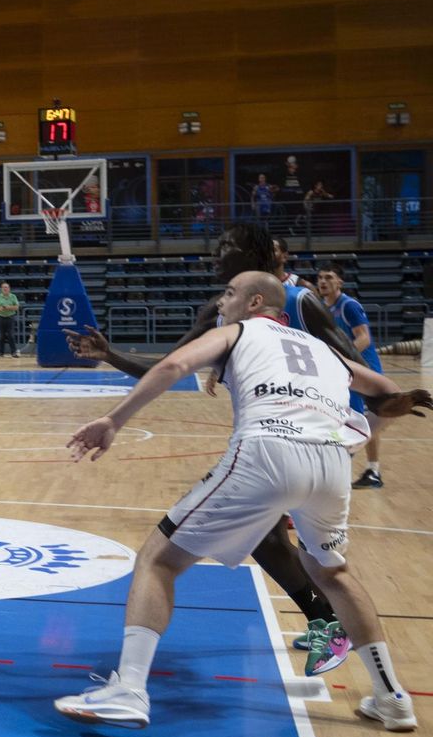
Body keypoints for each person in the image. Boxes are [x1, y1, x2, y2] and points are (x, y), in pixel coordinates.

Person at [55, 271, 429, 731]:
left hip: (267, 450)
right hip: (331, 463)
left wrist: (114, 420)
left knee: (158, 560)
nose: (220, 303)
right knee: (334, 573)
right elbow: (389, 394)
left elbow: (173, 366)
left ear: (255, 303)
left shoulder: (237, 330)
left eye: (229, 294)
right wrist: (360, 433)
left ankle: (129, 689)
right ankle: (391, 696)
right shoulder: (323, 350)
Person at [65, 222, 379, 675]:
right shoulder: (217, 310)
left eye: (226, 247)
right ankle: (335, 630)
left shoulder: (300, 300)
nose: (215, 255)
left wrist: (349, 426)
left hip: (321, 435)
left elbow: (349, 363)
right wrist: (109, 354)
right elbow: (166, 368)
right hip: (271, 437)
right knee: (269, 540)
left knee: (291, 551)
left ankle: (337, 630)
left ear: (253, 255)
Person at [316, 263, 389, 489]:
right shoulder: (322, 307)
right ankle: (372, 471)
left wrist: (340, 360)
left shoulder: (348, 305)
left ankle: (347, 463)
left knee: (358, 421)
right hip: (348, 372)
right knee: (361, 421)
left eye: (329, 277)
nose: (323, 281)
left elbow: (364, 338)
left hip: (364, 371)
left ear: (340, 282)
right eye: (320, 278)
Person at [0, 281, 20, 358]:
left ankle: (14, 352)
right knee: (1, 336)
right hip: (0, 318)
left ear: (9, 289)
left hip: (10, 317)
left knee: (11, 335)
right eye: (3, 287)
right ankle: (0, 353)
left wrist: (8, 307)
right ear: (1, 289)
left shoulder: (13, 296)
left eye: (6, 287)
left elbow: (16, 307)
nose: (5, 289)